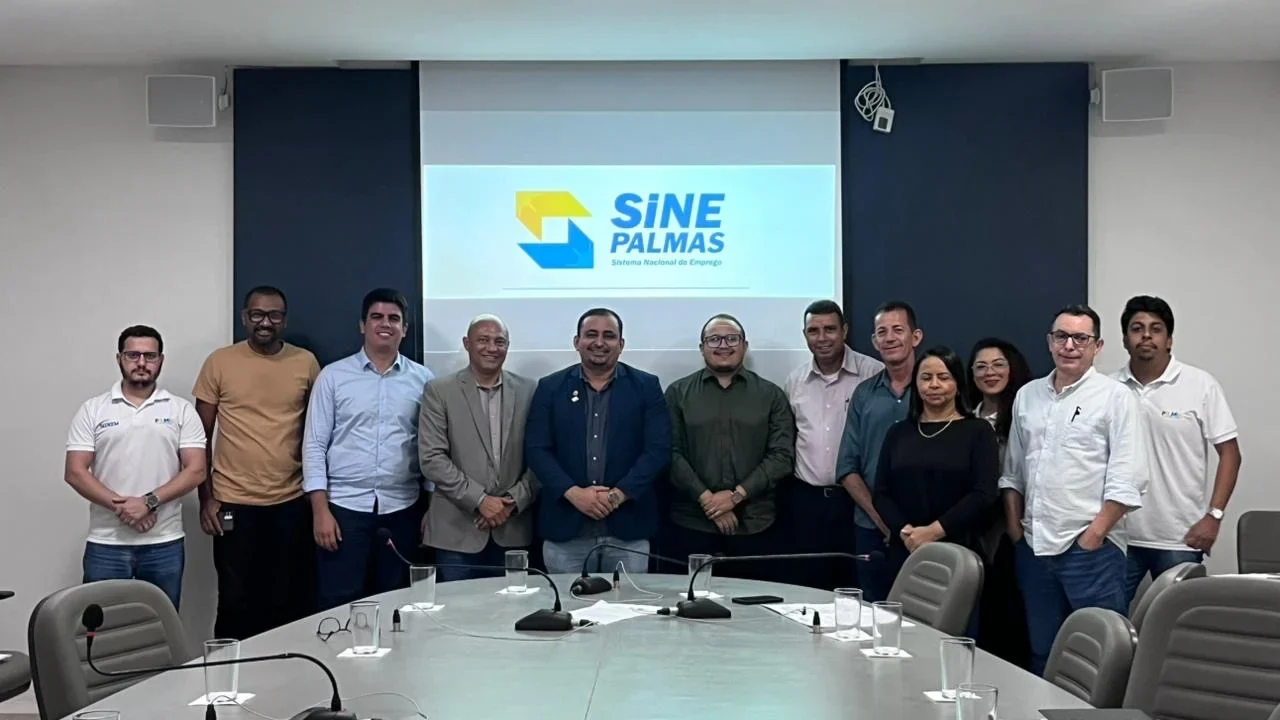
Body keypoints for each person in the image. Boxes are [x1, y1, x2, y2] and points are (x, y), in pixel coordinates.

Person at [1000, 304, 1146, 676]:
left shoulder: (1115, 397)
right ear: (1049, 341)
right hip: (1034, 548)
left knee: (1100, 657)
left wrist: (1094, 535)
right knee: (1042, 653)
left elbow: (1129, 477)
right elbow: (1013, 472)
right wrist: (1017, 532)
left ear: (1097, 346)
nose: (1069, 346)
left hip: (1091, 551)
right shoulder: (1028, 396)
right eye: (1062, 336)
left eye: (1080, 338)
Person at [194, 286, 321, 639]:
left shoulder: (306, 363)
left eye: (274, 315)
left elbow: (319, 432)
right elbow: (198, 437)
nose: (265, 322)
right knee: (235, 600)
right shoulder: (219, 362)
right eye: (257, 314)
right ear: (244, 318)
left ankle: (284, 669)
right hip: (232, 503)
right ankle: (228, 669)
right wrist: (206, 498)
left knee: (288, 599)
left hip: (290, 502)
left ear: (285, 320)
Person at [303, 289, 433, 610]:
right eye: (377, 317)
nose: (385, 324)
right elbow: (314, 445)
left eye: (394, 318)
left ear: (405, 328)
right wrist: (320, 511)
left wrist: (432, 509)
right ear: (363, 325)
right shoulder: (333, 377)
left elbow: (431, 448)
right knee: (339, 603)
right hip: (343, 509)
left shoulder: (424, 381)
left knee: (396, 604)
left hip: (403, 509)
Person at [65, 326, 207, 610]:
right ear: (119, 358)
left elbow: (196, 470)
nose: (141, 363)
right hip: (106, 543)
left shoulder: (180, 410)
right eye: (133, 355)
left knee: (160, 627)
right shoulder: (93, 409)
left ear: (160, 360)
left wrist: (148, 502)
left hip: (164, 542)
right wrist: (125, 508)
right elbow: (75, 472)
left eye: (149, 356)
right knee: (103, 628)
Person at [1113, 295, 1241, 605]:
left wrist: (1214, 516)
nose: (1146, 336)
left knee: (1176, 623)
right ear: (1125, 340)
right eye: (1137, 328)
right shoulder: (1108, 388)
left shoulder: (1200, 385)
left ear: (1169, 340)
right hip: (1118, 535)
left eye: (1156, 329)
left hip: (1180, 537)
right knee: (1107, 622)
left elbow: (1231, 454)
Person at [525, 308, 671, 575]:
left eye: (609, 336)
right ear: (577, 341)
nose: (600, 342)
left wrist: (616, 496)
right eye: (591, 334)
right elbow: (537, 450)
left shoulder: (646, 387)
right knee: (566, 602)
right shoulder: (550, 387)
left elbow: (658, 450)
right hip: (565, 529)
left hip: (629, 529)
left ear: (621, 344)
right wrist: (575, 494)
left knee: (627, 602)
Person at [665, 314, 795, 581]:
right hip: (692, 525)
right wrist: (708, 500)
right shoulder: (677, 393)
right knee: (690, 602)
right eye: (714, 339)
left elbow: (782, 456)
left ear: (744, 346)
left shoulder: (771, 395)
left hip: (756, 525)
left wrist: (735, 497)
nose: (723, 345)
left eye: (731, 339)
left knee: (753, 603)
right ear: (702, 347)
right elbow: (670, 452)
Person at [420, 315, 538, 581]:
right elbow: (432, 458)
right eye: (483, 340)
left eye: (499, 341)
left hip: (513, 530)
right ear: (467, 343)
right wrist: (481, 501)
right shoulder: (439, 391)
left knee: (511, 606)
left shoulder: (529, 390)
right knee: (457, 606)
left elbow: (541, 456)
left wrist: (510, 503)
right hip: (456, 532)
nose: (491, 348)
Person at [781, 300, 883, 590]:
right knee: (809, 586)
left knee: (856, 584)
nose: (822, 338)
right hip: (807, 501)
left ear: (845, 331)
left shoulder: (872, 374)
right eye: (813, 331)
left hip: (856, 501)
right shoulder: (794, 382)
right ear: (805, 335)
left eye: (830, 329)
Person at [874, 346, 999, 573]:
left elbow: (984, 493)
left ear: (958, 384)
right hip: (905, 547)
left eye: (943, 377)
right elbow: (881, 493)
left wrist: (932, 532)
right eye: (926, 378)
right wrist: (907, 533)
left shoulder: (978, 431)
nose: (934, 384)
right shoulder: (898, 432)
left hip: (958, 551)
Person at [835, 300, 923, 601]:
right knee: (874, 611)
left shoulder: (936, 390)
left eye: (898, 330)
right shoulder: (864, 394)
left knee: (928, 614)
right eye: (882, 332)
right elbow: (847, 467)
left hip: (925, 530)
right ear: (874, 341)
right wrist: (884, 521)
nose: (889, 338)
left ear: (916, 337)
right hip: (871, 529)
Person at [966, 337, 1034, 668]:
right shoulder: (967, 417)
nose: (989, 372)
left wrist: (1015, 530)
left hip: (1014, 531)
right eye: (981, 366)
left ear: (1012, 368)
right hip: (975, 532)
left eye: (998, 365)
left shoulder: (1027, 414)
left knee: (1014, 619)